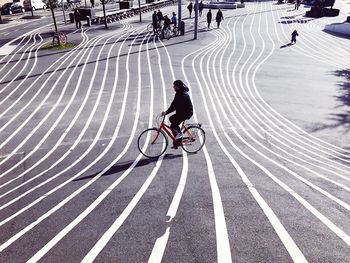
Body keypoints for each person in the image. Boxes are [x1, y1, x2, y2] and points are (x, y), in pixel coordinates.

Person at [161, 80, 193, 149]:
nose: (173, 87)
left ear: (178, 87)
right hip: (182, 112)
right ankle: (178, 140)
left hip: (186, 113)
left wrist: (166, 112)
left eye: (174, 86)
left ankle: (179, 136)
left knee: (173, 123)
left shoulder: (182, 95)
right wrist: (167, 112)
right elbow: (173, 104)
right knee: (172, 120)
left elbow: (175, 106)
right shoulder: (179, 92)